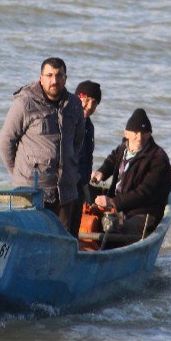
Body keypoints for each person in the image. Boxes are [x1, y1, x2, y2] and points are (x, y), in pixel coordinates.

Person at [0, 58, 85, 230]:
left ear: (65, 78)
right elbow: (5, 142)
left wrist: (68, 164)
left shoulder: (74, 105)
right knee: (31, 237)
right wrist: (19, 173)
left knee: (62, 242)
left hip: (65, 191)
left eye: (59, 75)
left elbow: (78, 141)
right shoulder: (25, 103)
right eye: (49, 75)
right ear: (41, 78)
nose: (54, 80)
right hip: (32, 190)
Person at [91, 108, 171, 237]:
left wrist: (113, 202)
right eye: (135, 132)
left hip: (144, 212)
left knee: (116, 233)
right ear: (126, 133)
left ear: (150, 133)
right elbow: (112, 160)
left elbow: (144, 192)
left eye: (144, 132)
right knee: (90, 222)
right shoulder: (124, 147)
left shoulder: (158, 158)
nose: (139, 137)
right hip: (121, 207)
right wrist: (101, 172)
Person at [69, 80, 101, 235]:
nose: (89, 106)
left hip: (80, 186)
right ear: (77, 97)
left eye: (94, 102)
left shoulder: (89, 126)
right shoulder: (67, 120)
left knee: (74, 229)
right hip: (66, 186)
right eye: (86, 100)